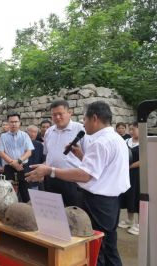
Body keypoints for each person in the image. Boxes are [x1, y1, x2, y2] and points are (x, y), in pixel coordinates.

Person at [26, 101, 130, 266]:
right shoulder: (115, 139)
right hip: (109, 201)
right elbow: (98, 170)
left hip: (98, 202)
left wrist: (49, 171)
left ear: (94, 118)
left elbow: (85, 175)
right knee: (108, 246)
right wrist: (81, 155)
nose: (84, 123)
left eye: (85, 119)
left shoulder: (100, 142)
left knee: (97, 248)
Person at [43, 100, 88, 207]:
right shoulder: (49, 131)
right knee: (53, 213)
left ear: (69, 113)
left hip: (72, 181)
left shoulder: (81, 129)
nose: (57, 117)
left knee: (73, 216)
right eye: (54, 115)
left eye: (60, 114)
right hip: (51, 179)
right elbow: (48, 155)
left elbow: (88, 157)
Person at [0, 113, 34, 202]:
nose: (14, 124)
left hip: (23, 167)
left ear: (19, 123)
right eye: (11, 122)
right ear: (8, 123)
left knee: (26, 193)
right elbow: (1, 152)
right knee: (7, 193)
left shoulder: (25, 136)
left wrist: (18, 161)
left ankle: (26, 212)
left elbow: (29, 151)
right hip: (9, 168)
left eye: (16, 122)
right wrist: (12, 163)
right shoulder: (3, 136)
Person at [118, 121, 140, 235]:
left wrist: (129, 166)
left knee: (138, 196)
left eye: (133, 129)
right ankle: (130, 220)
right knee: (128, 195)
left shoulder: (144, 143)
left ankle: (140, 224)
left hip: (138, 174)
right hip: (126, 173)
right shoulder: (127, 141)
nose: (131, 132)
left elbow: (144, 160)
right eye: (130, 129)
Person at [26, 125, 45, 190]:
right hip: (23, 174)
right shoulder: (20, 143)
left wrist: (42, 174)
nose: (32, 134)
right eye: (30, 132)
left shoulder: (39, 145)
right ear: (26, 132)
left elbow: (43, 160)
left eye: (35, 132)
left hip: (35, 175)